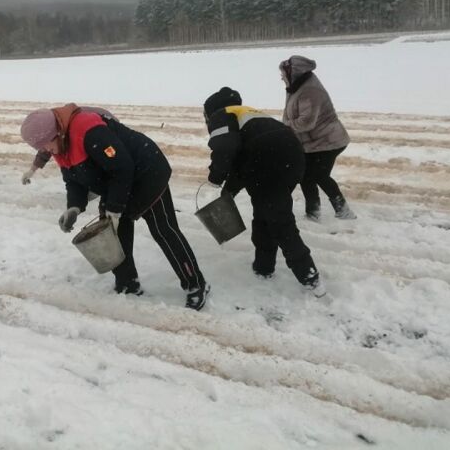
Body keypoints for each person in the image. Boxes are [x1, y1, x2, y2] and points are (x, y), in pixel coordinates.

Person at [20, 103, 210, 310]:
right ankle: (128, 284)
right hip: (116, 180)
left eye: (45, 144)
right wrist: (74, 207)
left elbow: (122, 167)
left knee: (163, 230)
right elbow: (73, 179)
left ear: (55, 132)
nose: (45, 150)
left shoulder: (89, 131)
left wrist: (115, 208)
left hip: (147, 173)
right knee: (113, 233)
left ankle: (196, 285)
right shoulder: (61, 144)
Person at [203, 87, 325, 297]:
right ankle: (263, 266)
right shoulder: (248, 114)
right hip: (292, 158)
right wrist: (228, 192)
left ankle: (309, 276)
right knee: (265, 213)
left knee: (280, 222)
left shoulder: (222, 114)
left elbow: (224, 149)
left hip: (268, 161)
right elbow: (241, 162)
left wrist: (214, 178)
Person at [279, 56, 356, 221]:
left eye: (284, 73)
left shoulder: (310, 91)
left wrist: (285, 126)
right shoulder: (297, 86)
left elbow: (306, 122)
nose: (282, 77)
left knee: (318, 175)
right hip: (315, 142)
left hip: (329, 141)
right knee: (305, 175)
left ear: (294, 72)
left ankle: (343, 211)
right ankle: (313, 213)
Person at [21, 106, 117, 184]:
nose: (45, 149)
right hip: (92, 133)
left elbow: (109, 148)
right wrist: (32, 170)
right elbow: (46, 149)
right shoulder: (51, 126)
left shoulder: (71, 125)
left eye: (43, 146)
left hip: (109, 127)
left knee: (111, 157)